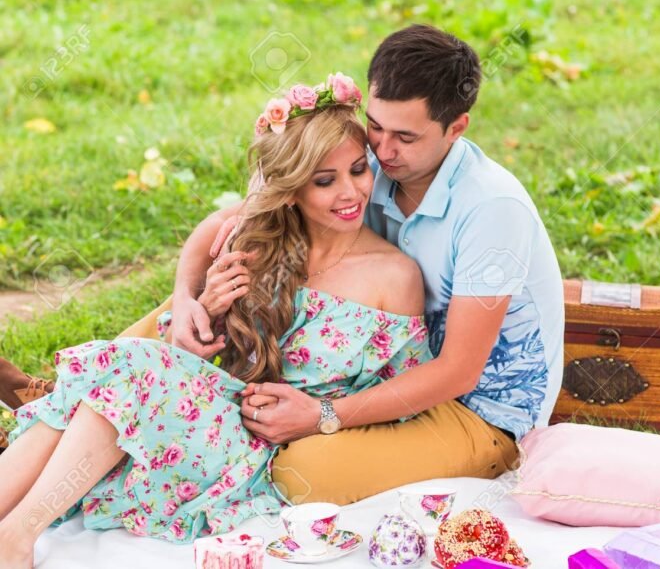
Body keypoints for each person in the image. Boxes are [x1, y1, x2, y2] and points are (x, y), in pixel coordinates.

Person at [0, 74, 433, 567]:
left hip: (262, 456)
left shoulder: (394, 277)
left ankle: (15, 536)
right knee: (121, 372)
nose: (351, 192)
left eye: (359, 170)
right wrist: (189, 301)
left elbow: (404, 395)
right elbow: (208, 230)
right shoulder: (265, 237)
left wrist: (320, 417)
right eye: (324, 180)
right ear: (289, 190)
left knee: (126, 369)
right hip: (217, 415)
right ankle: (10, 531)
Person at [160, 24, 565, 505]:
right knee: (169, 326)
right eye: (376, 125)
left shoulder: (491, 209)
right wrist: (186, 296)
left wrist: (324, 415)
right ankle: (91, 404)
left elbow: (459, 371)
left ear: (456, 128)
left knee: (300, 473)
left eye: (405, 137)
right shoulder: (363, 168)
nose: (382, 150)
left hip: (475, 413)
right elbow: (227, 222)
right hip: (380, 374)